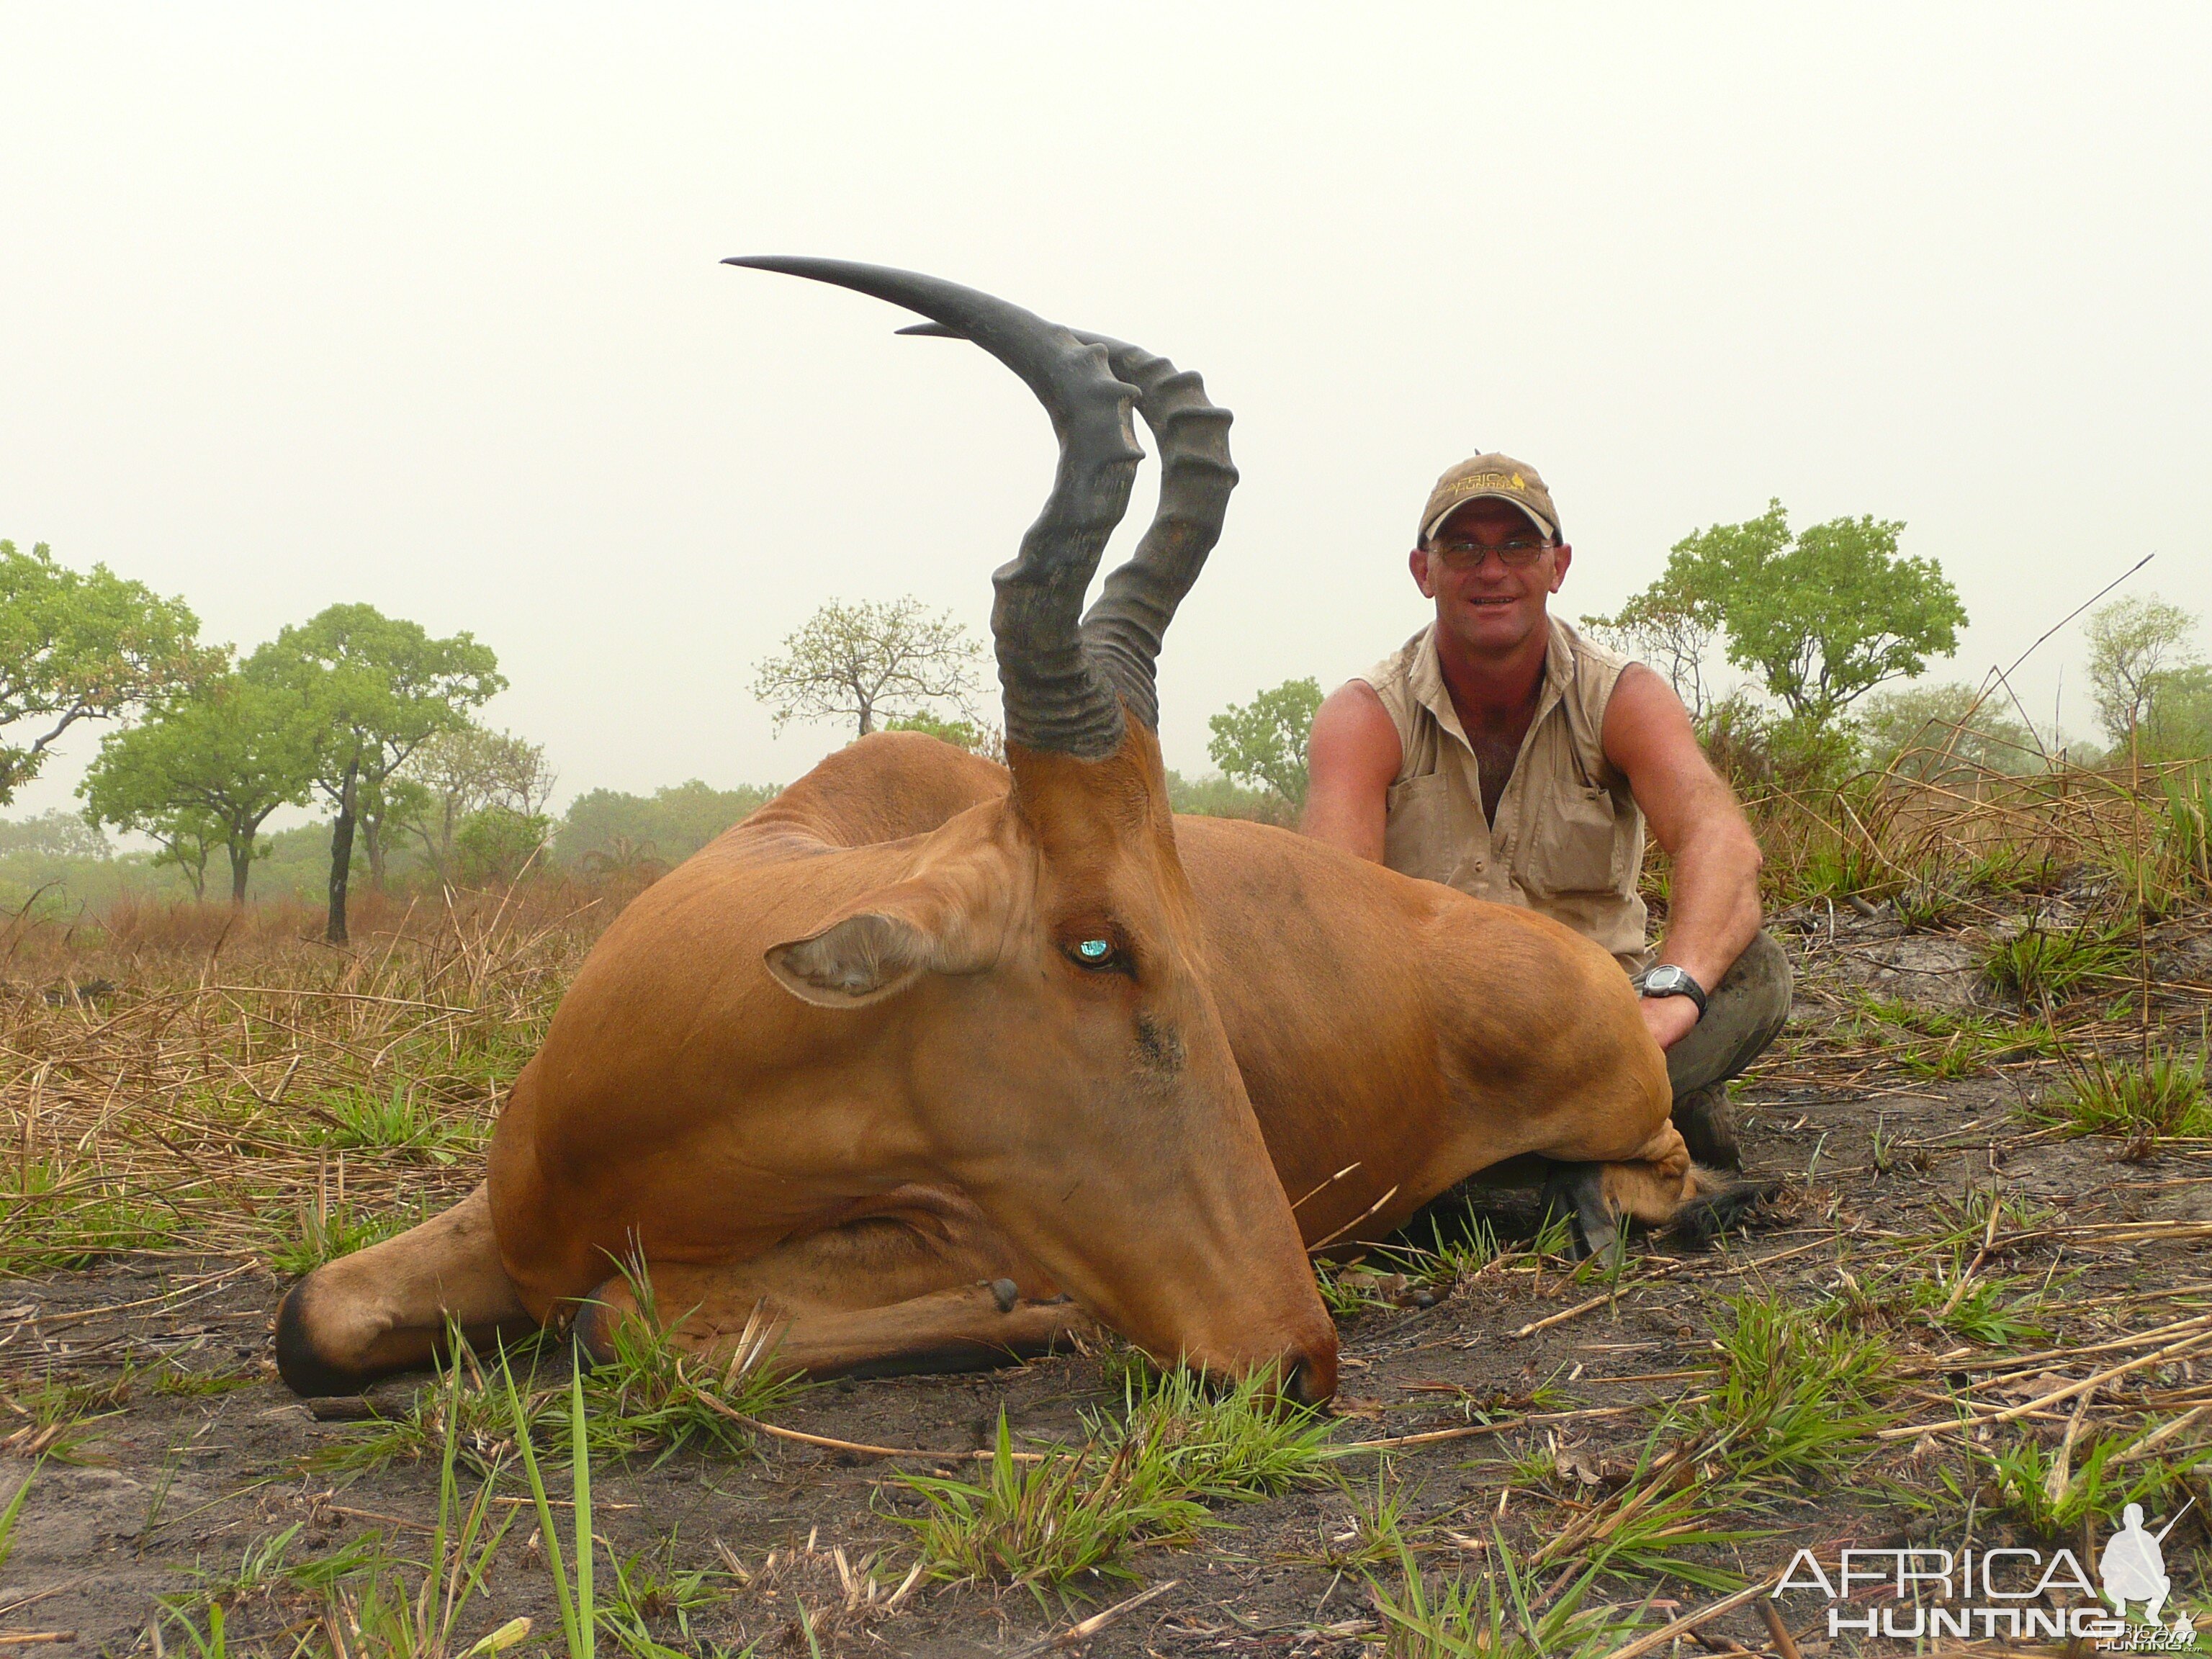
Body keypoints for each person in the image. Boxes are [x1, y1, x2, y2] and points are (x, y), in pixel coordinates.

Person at [1300, 453, 1790, 1167]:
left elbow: (1719, 838)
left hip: (1602, 1028)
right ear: (1423, 571)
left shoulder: (1623, 696)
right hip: (1435, 1046)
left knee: (1756, 971)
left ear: (1557, 566)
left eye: (1518, 545)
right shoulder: (1364, 715)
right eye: (1462, 547)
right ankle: (1616, 1133)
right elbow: (1329, 907)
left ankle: (1505, 1156)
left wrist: (1670, 999)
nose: (1491, 570)